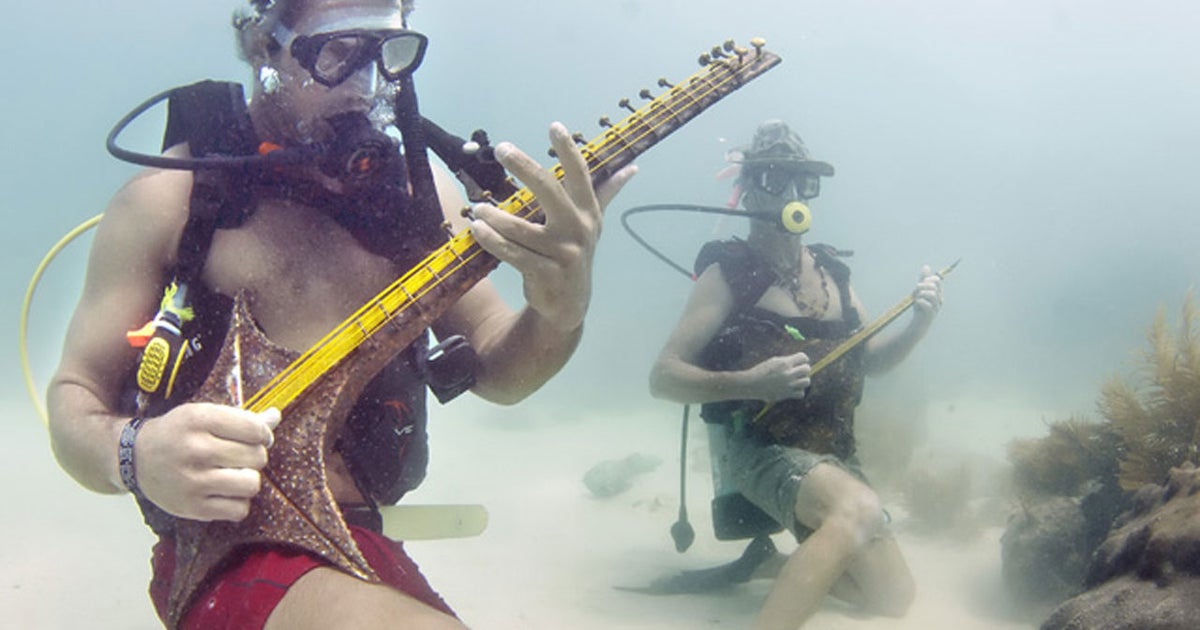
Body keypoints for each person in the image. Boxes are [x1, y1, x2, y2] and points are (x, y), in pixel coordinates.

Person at [45, 0, 634, 628]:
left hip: (360, 536)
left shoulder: (418, 193)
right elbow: (75, 394)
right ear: (263, 45)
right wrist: (136, 455)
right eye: (337, 51)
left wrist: (558, 310)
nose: (366, 84)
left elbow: (500, 370)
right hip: (221, 551)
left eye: (387, 53)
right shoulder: (171, 202)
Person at [648, 119, 941, 629]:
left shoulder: (834, 274)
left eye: (802, 182)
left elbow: (872, 361)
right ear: (748, 189)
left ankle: (771, 565)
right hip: (763, 448)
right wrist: (751, 383)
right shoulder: (727, 274)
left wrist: (920, 323)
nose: (788, 194)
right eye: (772, 179)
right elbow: (663, 377)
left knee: (893, 597)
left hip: (834, 450)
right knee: (857, 509)